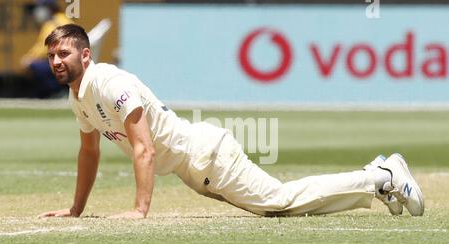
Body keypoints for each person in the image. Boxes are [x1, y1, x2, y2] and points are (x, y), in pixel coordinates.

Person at [38, 24, 424, 219]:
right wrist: (75, 209)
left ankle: (382, 177)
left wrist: (139, 210)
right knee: (275, 206)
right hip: (197, 171)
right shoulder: (79, 97)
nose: (57, 61)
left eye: (65, 53)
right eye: (52, 55)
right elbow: (89, 152)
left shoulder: (109, 82)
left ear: (85, 55)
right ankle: (377, 180)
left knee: (279, 202)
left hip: (208, 156)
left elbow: (145, 147)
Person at [21, 0, 73, 98]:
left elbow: (45, 46)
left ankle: (57, 92)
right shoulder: (62, 19)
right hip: (69, 61)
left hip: (65, 62)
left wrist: (29, 59)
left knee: (35, 66)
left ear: (48, 8)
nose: (37, 11)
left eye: (39, 8)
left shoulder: (53, 22)